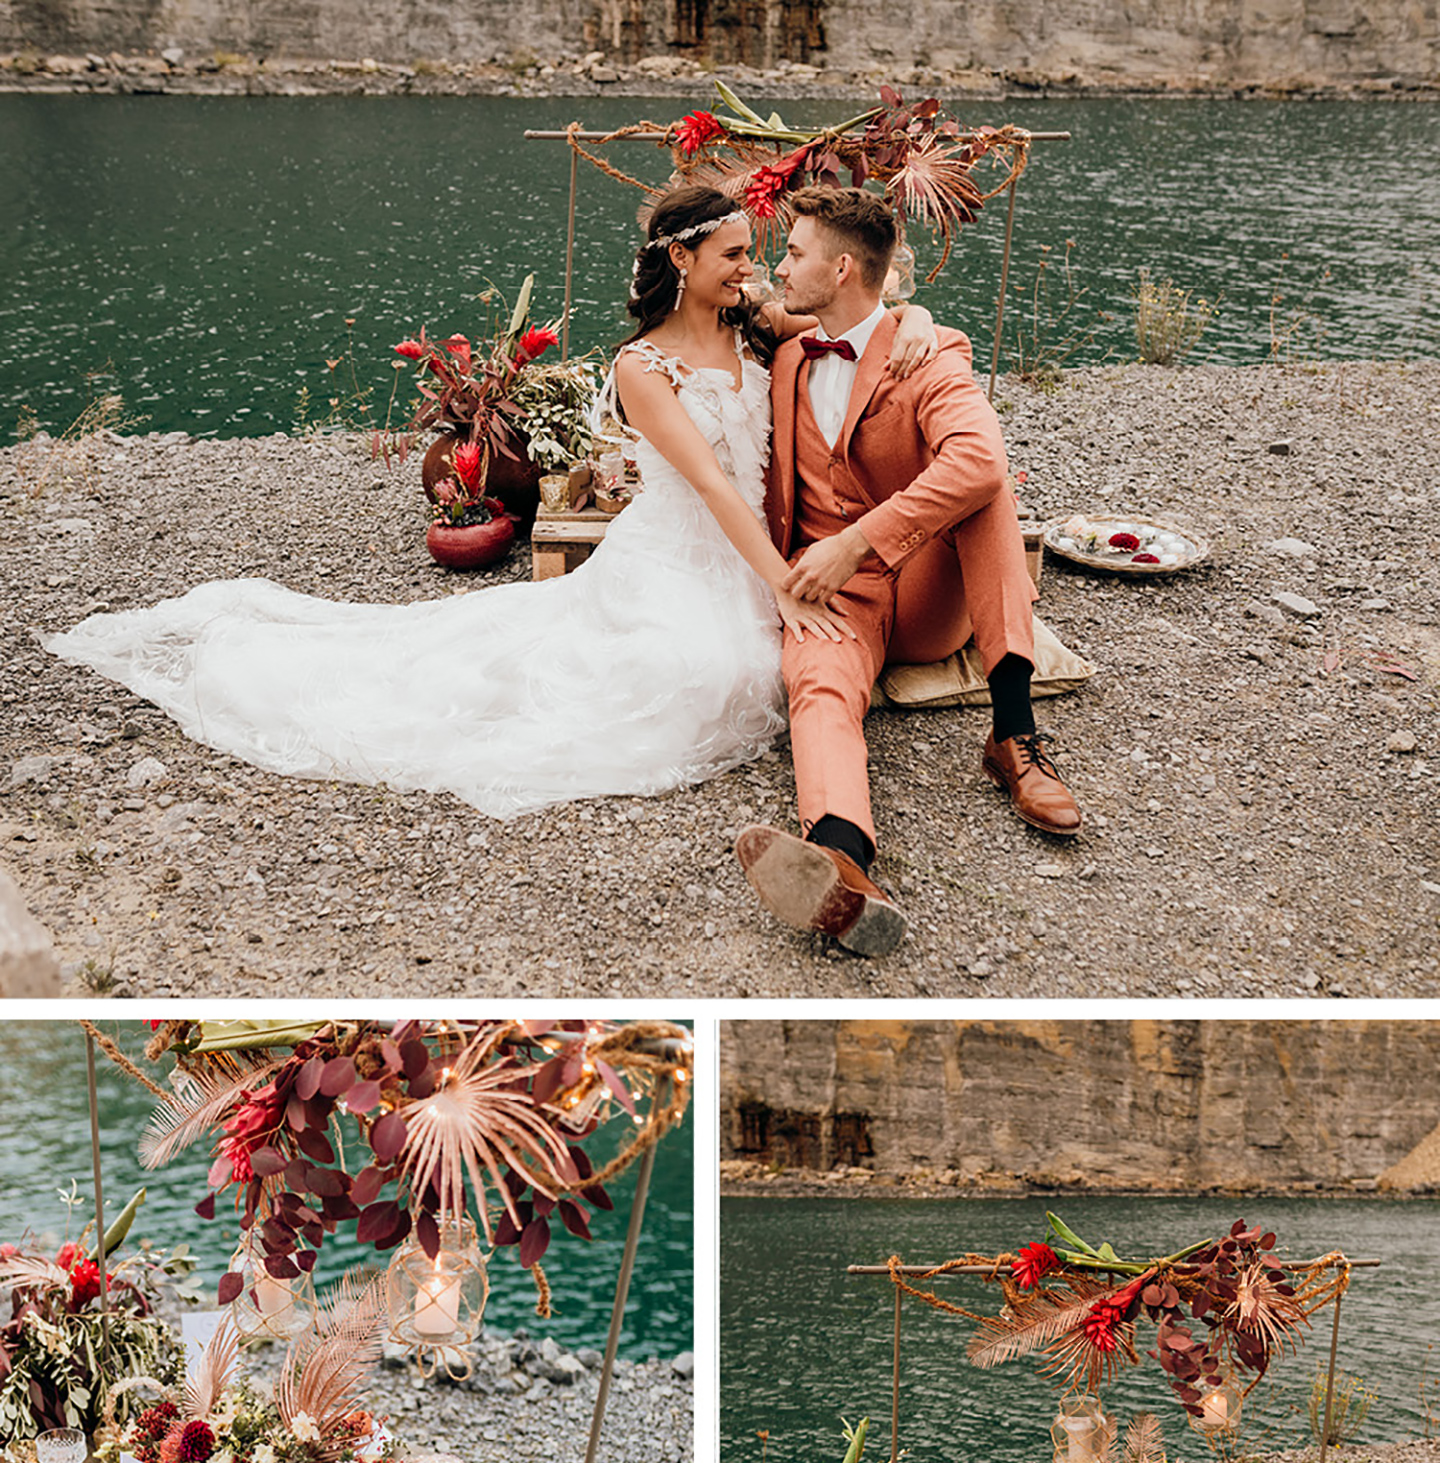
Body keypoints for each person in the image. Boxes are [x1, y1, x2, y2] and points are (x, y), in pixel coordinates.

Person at [43, 188, 935, 824]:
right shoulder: (640, 367)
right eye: (736, 254)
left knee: (743, 669)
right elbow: (707, 481)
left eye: (755, 254)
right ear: (683, 259)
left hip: (748, 553)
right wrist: (785, 584)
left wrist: (927, 328)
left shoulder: (759, 326)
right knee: (698, 678)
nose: (753, 268)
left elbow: (864, 323)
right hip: (677, 553)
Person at [734, 186, 1083, 959]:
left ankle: (1014, 736)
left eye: (793, 254)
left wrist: (857, 541)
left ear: (844, 268)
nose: (779, 266)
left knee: (985, 489)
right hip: (833, 597)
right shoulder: (791, 345)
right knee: (818, 684)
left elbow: (979, 459)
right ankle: (842, 858)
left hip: (923, 590)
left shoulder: (931, 352)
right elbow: (713, 302)